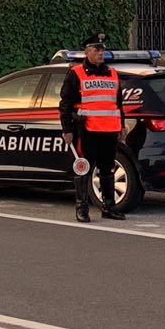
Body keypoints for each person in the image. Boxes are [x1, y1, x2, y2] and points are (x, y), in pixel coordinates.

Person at [59, 32, 126, 223]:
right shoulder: (76, 73)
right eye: (97, 49)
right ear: (87, 52)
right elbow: (65, 104)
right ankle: (82, 208)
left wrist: (121, 125)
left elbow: (118, 103)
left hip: (110, 130)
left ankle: (109, 206)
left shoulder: (112, 73)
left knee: (107, 169)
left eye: (102, 49)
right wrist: (67, 130)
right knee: (83, 169)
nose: (100, 52)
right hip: (87, 130)